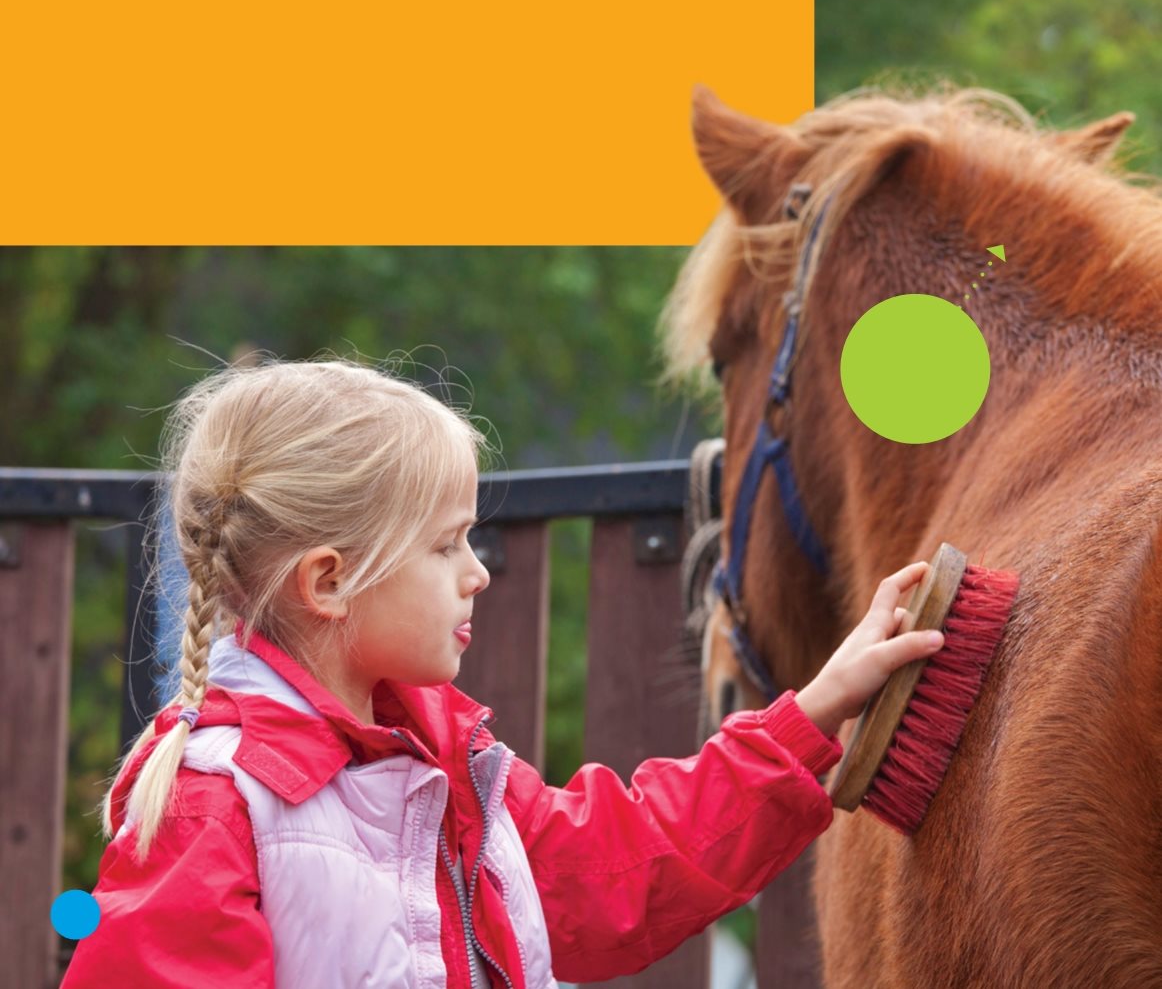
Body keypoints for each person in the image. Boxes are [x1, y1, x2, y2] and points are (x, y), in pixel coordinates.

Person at [61, 359, 942, 989]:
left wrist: (818, 708)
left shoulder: (448, 767)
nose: (477, 571)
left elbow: (613, 871)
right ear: (328, 581)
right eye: (446, 544)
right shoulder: (214, 804)